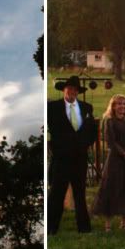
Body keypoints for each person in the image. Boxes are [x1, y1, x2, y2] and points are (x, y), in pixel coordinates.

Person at [47, 75, 97, 234]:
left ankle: (84, 228)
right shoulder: (52, 107)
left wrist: (84, 144)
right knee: (56, 193)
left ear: (77, 91)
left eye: (75, 89)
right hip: (61, 157)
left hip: (80, 157)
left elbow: (92, 132)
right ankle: (51, 228)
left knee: (80, 193)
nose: (72, 91)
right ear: (64, 90)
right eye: (69, 88)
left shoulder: (87, 107)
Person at [92, 95, 125, 231]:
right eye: (119, 104)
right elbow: (111, 142)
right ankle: (108, 224)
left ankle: (123, 223)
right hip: (115, 160)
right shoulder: (109, 121)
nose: (122, 106)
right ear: (113, 106)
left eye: (124, 104)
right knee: (111, 190)